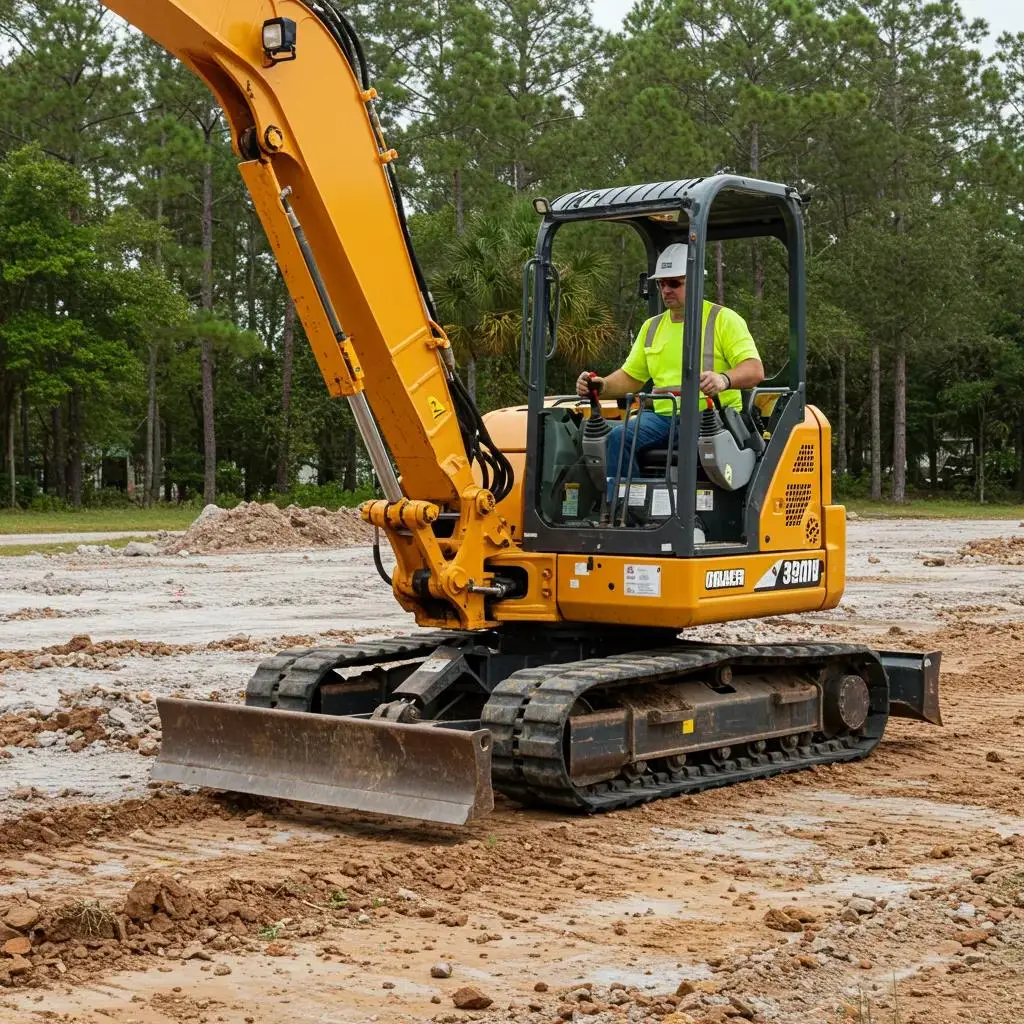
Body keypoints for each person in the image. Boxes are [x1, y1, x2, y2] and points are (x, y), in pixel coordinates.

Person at [576, 243, 764, 487]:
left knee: (691, 444)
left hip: (712, 418)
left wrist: (723, 379)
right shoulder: (651, 327)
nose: (666, 290)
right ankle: (629, 511)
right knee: (619, 437)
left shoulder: (723, 320)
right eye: (661, 284)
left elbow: (754, 369)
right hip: (663, 417)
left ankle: (677, 514)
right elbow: (632, 377)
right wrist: (601, 385)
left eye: (674, 283)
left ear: (695, 281)